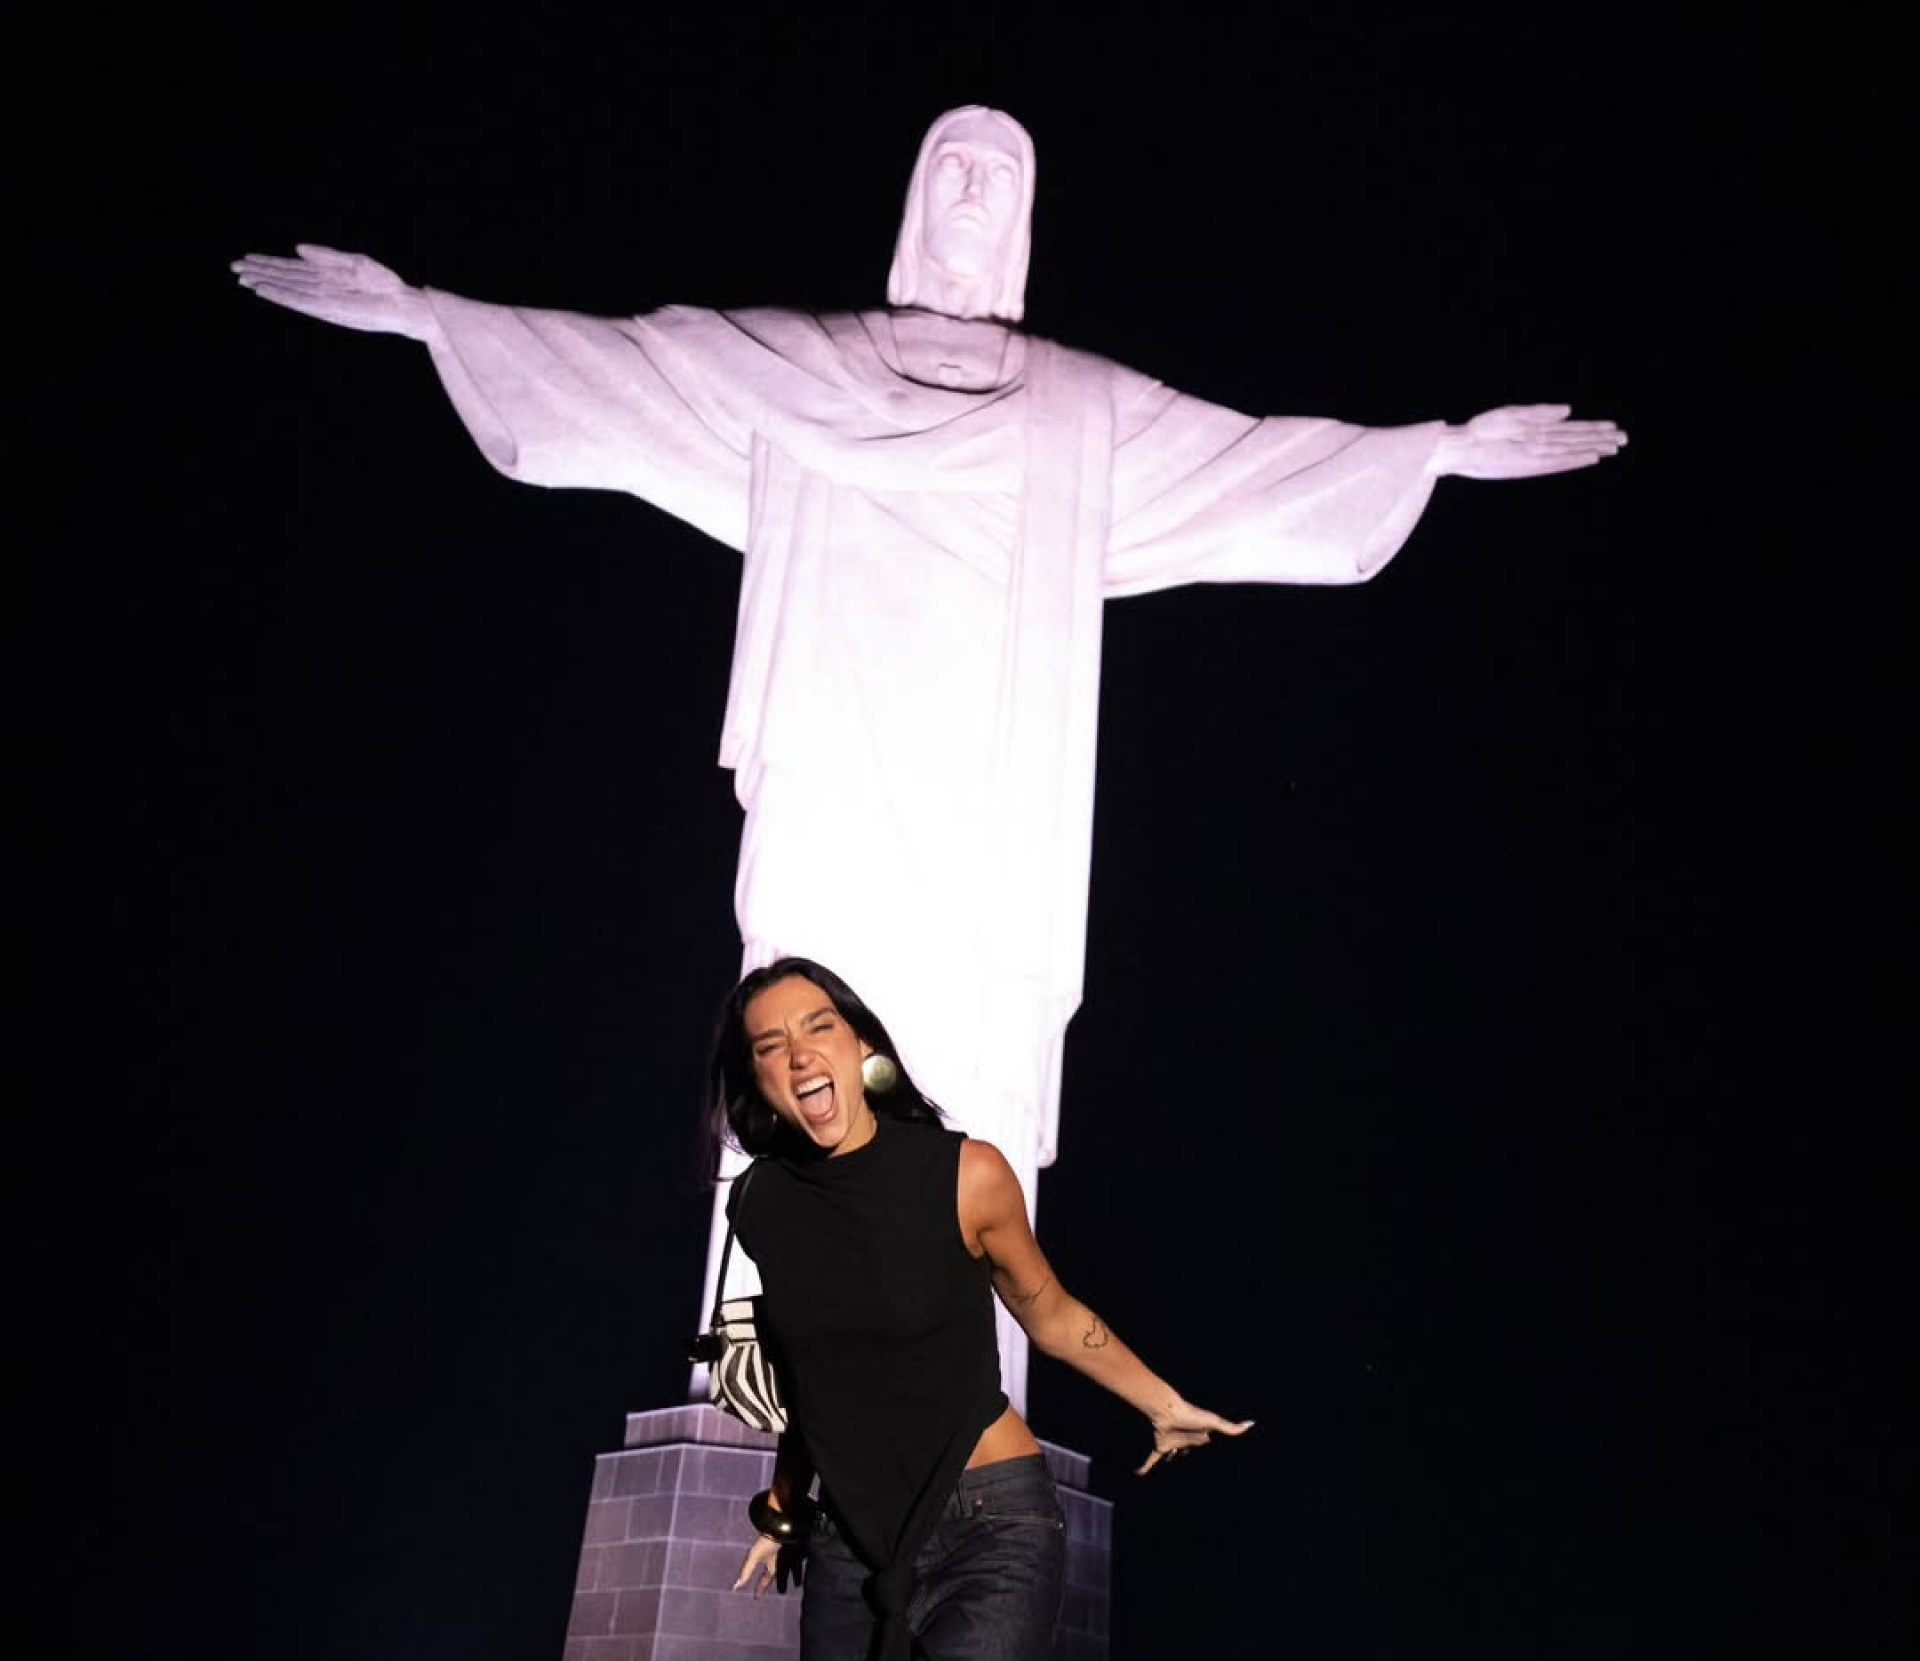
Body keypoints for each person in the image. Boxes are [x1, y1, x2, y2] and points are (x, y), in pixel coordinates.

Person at [231, 104, 1625, 1410]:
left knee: (967, 1054)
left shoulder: (1082, 409)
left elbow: (1258, 468)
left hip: (988, 803)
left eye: (1000, 175)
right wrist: (425, 313)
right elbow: (616, 365)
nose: (971, 190)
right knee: (796, 1032)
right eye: (951, 163)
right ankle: (756, 1381)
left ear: (1024, 223)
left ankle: (971, 1389)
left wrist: (1434, 452)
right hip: (835, 765)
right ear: (912, 201)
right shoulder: (804, 364)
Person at [709, 954, 1251, 1661]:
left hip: (989, 1530)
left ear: (860, 1041)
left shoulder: (966, 1173)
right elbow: (807, 1379)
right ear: (756, 1079)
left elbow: (1046, 1310)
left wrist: (1159, 1399)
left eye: (817, 1028)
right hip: (851, 1547)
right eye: (770, 1046)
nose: (798, 1056)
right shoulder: (761, 1208)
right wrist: (785, 1509)